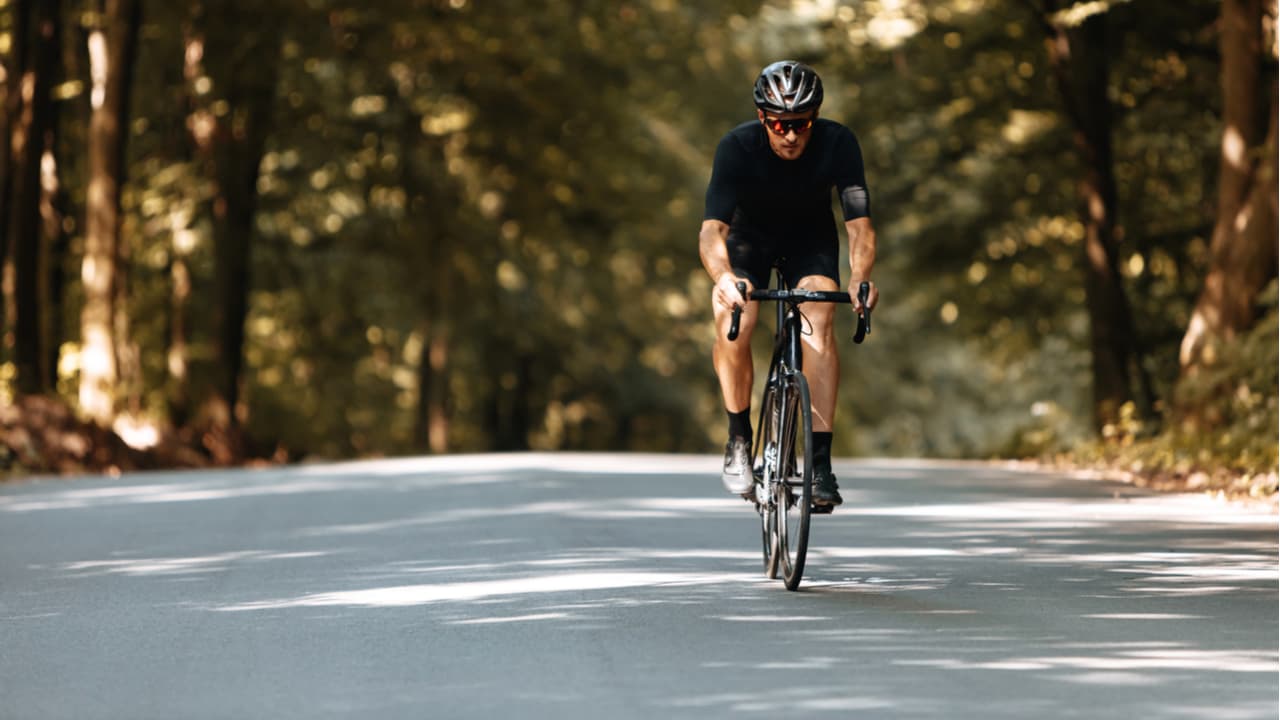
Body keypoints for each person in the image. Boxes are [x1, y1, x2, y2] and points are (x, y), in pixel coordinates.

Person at [699, 60, 879, 508]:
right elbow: (712, 231)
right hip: (749, 241)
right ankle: (739, 439)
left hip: (809, 239)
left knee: (818, 319)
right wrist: (723, 279)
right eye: (780, 124)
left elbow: (859, 227)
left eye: (801, 124)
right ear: (763, 118)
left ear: (814, 118)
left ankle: (819, 464)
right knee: (732, 316)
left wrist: (860, 279)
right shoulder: (736, 147)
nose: (792, 135)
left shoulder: (839, 143)